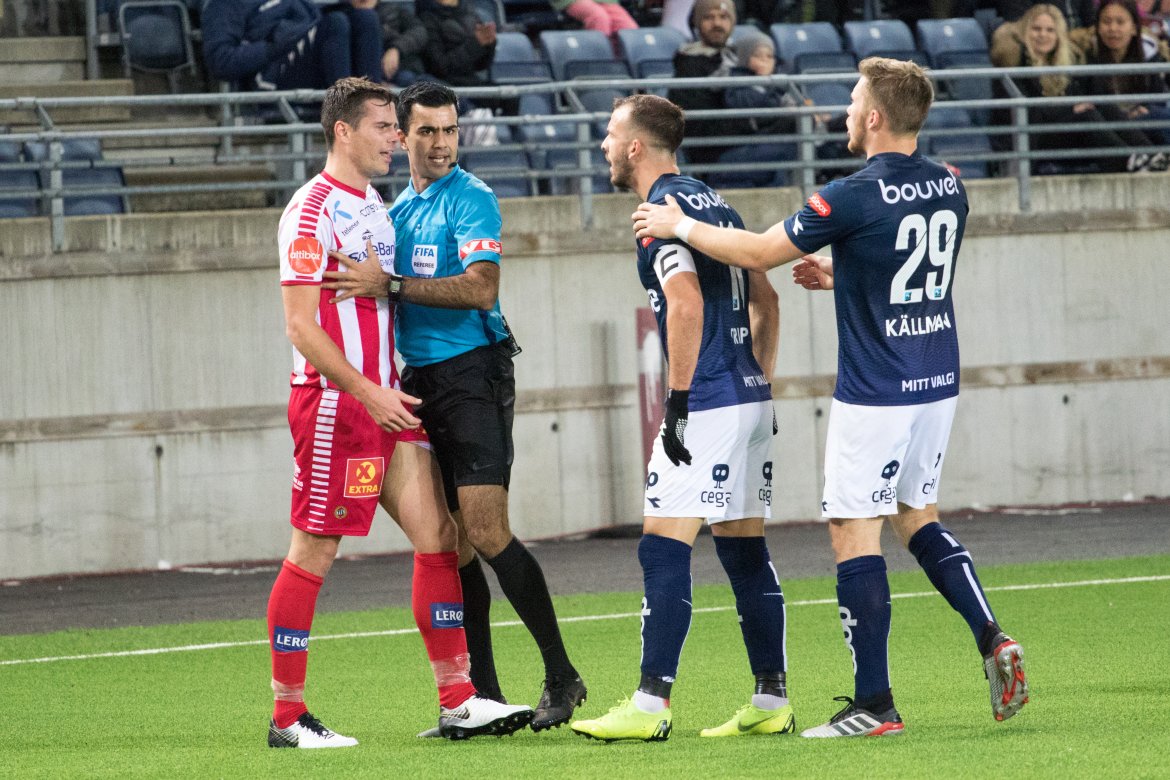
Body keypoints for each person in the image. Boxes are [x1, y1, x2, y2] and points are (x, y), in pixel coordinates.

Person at [631, 57, 1030, 737]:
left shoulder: (850, 192)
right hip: (936, 378)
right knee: (917, 513)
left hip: (876, 389)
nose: (846, 111)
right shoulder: (949, 184)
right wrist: (841, 271)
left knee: (853, 529)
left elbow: (757, 253)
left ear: (874, 116)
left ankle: (874, 702)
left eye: (852, 100)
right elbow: (910, 265)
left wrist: (681, 228)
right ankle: (992, 635)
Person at [268, 76, 533, 748]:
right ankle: (288, 717)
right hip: (339, 406)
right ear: (344, 133)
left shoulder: (377, 207)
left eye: (395, 126)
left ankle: (459, 699)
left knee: (441, 538)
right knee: (313, 549)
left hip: (389, 405)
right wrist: (365, 390)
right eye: (385, 127)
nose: (396, 139)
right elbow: (301, 327)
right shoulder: (311, 212)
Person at [320, 81, 586, 733]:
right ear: (401, 136)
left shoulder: (471, 199)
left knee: (486, 529)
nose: (441, 144)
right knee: (454, 544)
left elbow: (480, 287)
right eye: (427, 132)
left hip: (472, 375)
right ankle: (484, 698)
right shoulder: (397, 208)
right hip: (421, 381)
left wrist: (393, 283)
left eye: (450, 131)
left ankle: (562, 674)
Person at [569, 94, 790, 742]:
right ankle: (771, 698)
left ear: (636, 147)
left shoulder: (654, 216)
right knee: (744, 550)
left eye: (611, 135)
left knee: (662, 545)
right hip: (747, 395)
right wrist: (758, 376)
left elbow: (685, 304)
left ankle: (650, 702)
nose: (606, 146)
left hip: (710, 400)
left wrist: (679, 401)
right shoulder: (714, 204)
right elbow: (768, 296)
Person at [990, 4, 1166, 172]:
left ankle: (1151, 154)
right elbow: (1028, 114)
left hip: (1067, 133)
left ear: (1059, 35)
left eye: (1050, 30)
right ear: (1025, 32)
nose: (1043, 35)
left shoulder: (1068, 64)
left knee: (1103, 105)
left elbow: (1094, 94)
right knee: (1086, 115)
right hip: (1034, 138)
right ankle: (1127, 161)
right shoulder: (1014, 66)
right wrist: (1071, 110)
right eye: (1036, 29)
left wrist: (1082, 107)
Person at [202, 0, 383, 91]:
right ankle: (345, 112)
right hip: (271, 75)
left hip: (316, 63)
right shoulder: (223, 4)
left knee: (365, 17)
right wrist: (270, 48)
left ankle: (373, 108)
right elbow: (221, 61)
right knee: (336, 23)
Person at [667, 0, 752, 170]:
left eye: (724, 17)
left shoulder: (740, 56)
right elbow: (697, 126)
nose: (717, 24)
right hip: (714, 154)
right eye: (709, 17)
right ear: (697, 23)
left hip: (749, 141)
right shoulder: (689, 64)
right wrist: (751, 124)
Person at [1072, 0, 1170, 145]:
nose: (1112, 28)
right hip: (1109, 127)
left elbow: (1158, 97)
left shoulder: (1150, 53)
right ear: (1097, 27)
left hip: (1143, 120)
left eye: (1120, 22)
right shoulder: (1086, 55)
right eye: (1106, 21)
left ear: (1134, 27)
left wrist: (1146, 108)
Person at [716, 29, 798, 188]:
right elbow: (761, 111)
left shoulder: (780, 84)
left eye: (769, 56)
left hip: (770, 144)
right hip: (744, 148)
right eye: (758, 56)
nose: (765, 61)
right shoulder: (737, 83)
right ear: (745, 58)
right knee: (793, 146)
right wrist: (771, 86)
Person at [376, 0, 431, 86]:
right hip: (390, 77)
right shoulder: (354, 17)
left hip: (407, 67)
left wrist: (396, 49)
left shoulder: (392, 9)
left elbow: (420, 31)